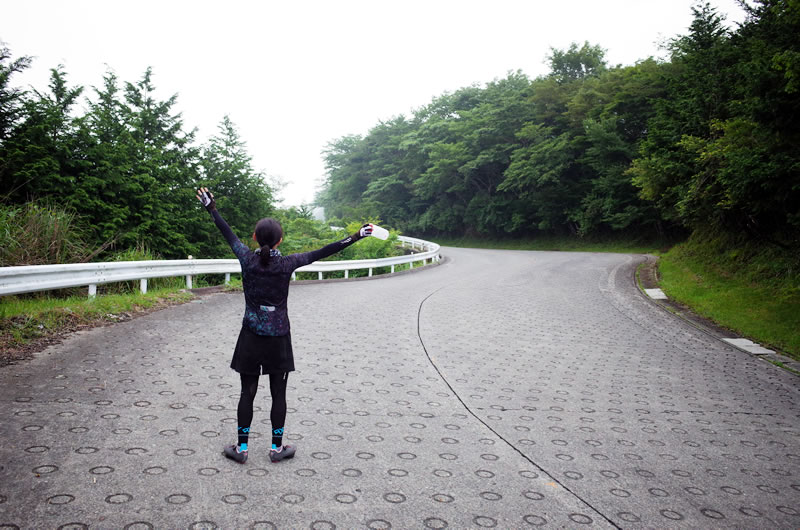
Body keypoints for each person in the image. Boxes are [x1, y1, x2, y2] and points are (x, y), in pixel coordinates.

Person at [196, 187, 372, 464]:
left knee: (247, 392)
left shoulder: (246, 258)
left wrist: (211, 208)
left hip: (250, 335)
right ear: (280, 240)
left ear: (254, 237)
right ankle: (276, 448)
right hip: (279, 337)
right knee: (279, 393)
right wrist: (357, 236)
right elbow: (325, 251)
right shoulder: (289, 263)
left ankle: (241, 448)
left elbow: (227, 233)